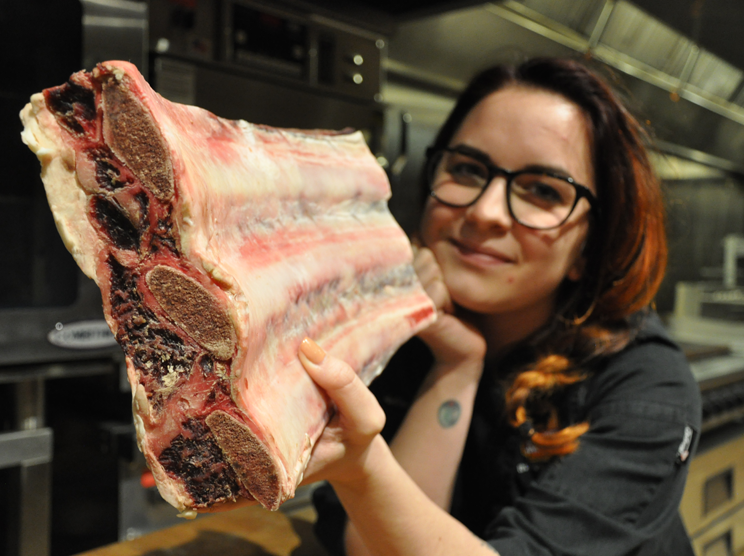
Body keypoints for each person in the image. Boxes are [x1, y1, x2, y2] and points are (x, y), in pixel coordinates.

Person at [296, 57, 702, 556]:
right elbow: (369, 547)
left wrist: (361, 467)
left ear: (589, 249)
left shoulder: (645, 383)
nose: (485, 212)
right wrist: (457, 363)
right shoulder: (403, 339)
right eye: (467, 169)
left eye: (543, 190)